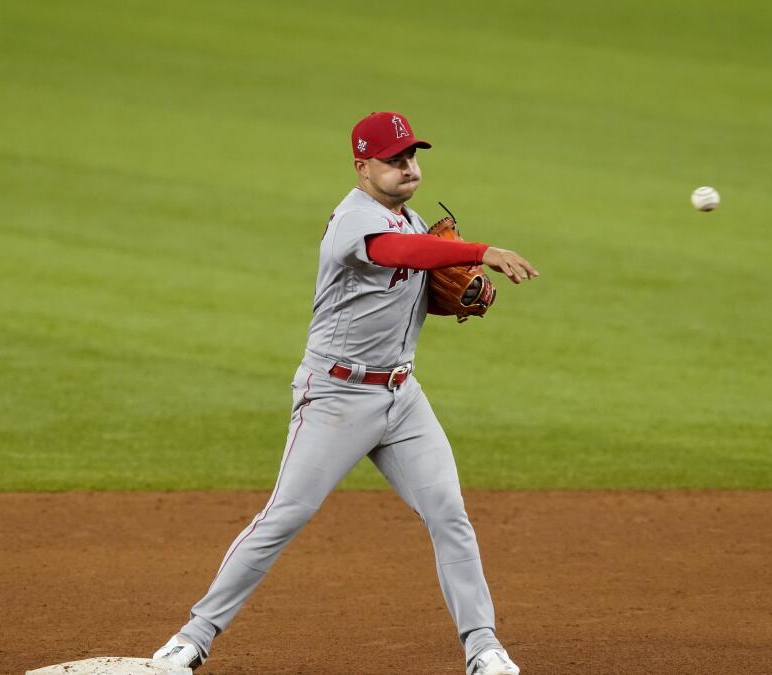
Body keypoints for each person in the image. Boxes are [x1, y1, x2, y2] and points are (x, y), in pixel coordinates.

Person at [153, 111, 538, 675]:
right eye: (394, 160)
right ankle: (191, 638)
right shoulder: (354, 221)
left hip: (403, 398)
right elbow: (393, 256)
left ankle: (484, 647)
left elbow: (406, 280)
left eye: (412, 156)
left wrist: (443, 294)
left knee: (449, 513)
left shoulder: (412, 221)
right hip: (335, 398)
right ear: (363, 167)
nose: (408, 168)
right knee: (284, 515)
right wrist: (478, 252)